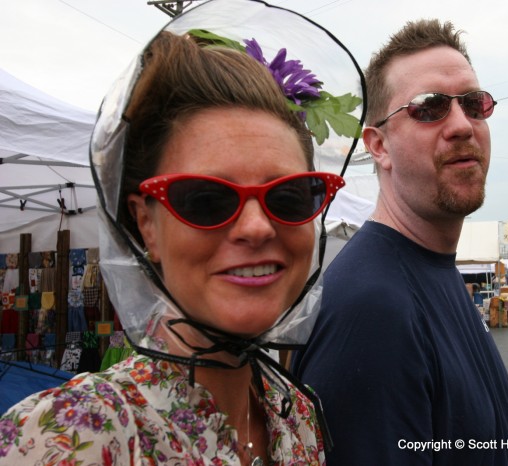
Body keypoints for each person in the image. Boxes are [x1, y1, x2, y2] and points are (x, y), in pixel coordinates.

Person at [0, 1, 364, 464]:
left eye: (290, 196)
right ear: (146, 224)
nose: (256, 227)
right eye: (206, 199)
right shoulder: (73, 438)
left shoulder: (297, 415)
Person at [293, 19, 508, 465]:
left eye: (474, 104)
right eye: (430, 107)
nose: (462, 125)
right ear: (378, 145)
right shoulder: (372, 309)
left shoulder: (432, 269)